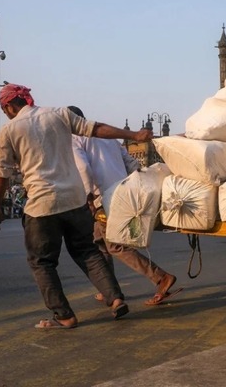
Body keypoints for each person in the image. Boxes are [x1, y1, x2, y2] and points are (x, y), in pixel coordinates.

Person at [0, 83, 153, 329]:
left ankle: (64, 315)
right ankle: (115, 298)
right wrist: (134, 136)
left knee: (42, 262)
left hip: (41, 206)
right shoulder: (59, 114)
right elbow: (95, 128)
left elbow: (1, 173)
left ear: (9, 106)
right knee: (87, 251)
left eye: (5, 110)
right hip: (74, 199)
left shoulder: (10, 129)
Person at [68, 105, 180, 306]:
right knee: (99, 242)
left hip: (101, 197)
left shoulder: (74, 138)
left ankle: (160, 277)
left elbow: (82, 168)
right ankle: (107, 288)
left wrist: (88, 198)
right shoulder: (106, 137)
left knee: (114, 245)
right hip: (121, 192)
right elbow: (131, 163)